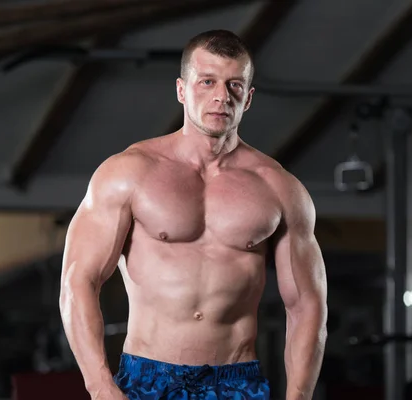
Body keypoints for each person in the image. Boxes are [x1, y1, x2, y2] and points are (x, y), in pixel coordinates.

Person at [59, 29, 328, 400]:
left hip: (236, 380)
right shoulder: (129, 173)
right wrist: (101, 387)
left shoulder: (279, 188)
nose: (221, 96)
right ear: (182, 90)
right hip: (146, 379)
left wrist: (298, 397)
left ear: (248, 99)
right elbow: (78, 282)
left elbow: (306, 304)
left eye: (234, 85)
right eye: (207, 82)